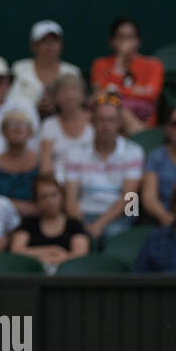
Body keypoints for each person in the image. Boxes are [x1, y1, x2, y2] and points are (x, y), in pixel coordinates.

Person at [62, 93, 144, 243]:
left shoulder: (134, 152)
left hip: (120, 215)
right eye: (101, 120)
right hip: (84, 213)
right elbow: (71, 200)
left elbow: (129, 198)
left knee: (113, 233)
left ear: (120, 123)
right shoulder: (74, 153)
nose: (106, 125)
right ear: (92, 122)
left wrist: (98, 225)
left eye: (111, 120)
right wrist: (83, 224)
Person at [90, 16, 163, 134]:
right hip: (107, 120)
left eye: (130, 37)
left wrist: (115, 91)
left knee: (122, 111)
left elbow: (151, 94)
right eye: (121, 37)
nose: (125, 42)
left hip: (143, 121)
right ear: (111, 41)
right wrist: (119, 63)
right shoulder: (100, 64)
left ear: (138, 41)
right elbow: (101, 95)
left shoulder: (153, 64)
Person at [10, 174, 90, 270]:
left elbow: (80, 256)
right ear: (36, 201)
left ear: (62, 197)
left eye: (54, 195)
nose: (50, 201)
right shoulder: (28, 224)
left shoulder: (75, 225)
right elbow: (16, 251)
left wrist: (45, 259)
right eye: (44, 197)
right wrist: (52, 250)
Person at [8, 19, 80, 118]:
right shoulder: (19, 69)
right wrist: (34, 108)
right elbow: (9, 102)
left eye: (54, 41)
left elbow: (78, 106)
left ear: (61, 45)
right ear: (33, 45)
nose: (50, 46)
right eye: (44, 41)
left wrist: (57, 105)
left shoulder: (72, 72)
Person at [38, 72, 91, 179]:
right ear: (55, 97)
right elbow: (45, 162)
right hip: (59, 183)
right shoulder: (49, 125)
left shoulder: (95, 120)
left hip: (91, 181)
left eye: (74, 89)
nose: (69, 95)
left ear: (83, 94)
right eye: (63, 91)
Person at [0, 110, 39, 217]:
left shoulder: (41, 161)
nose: (17, 128)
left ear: (30, 131)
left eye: (23, 124)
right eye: (11, 124)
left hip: (34, 219)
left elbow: (50, 193)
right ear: (3, 131)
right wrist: (12, 206)